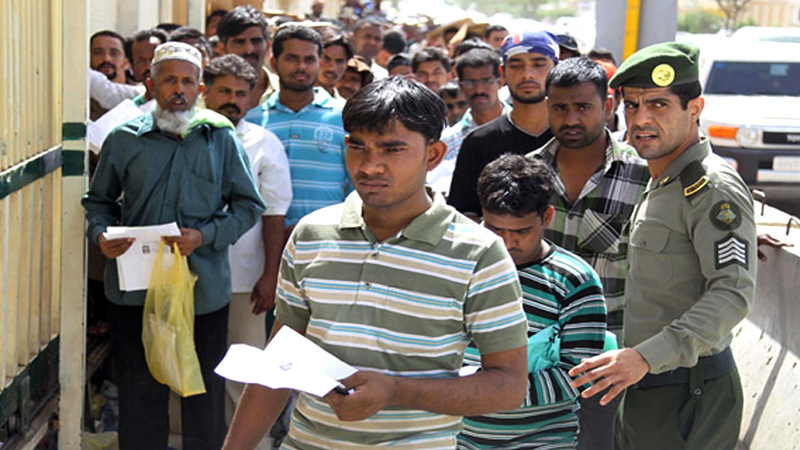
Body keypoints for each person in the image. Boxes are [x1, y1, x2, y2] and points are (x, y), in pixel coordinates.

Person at [224, 75, 529, 450]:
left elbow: (509, 387)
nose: (370, 166)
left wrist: (395, 391)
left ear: (433, 155)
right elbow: (279, 363)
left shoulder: (479, 252)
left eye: (391, 149)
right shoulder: (310, 234)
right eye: (357, 147)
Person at [569, 42, 757, 449]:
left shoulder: (711, 188)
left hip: (690, 392)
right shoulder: (662, 180)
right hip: (645, 386)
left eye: (659, 105)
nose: (642, 119)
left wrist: (646, 357)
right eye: (632, 106)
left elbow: (732, 292)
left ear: (695, 108)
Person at [82, 42, 265, 450]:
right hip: (136, 291)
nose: (178, 89)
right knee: (139, 394)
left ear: (200, 87)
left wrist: (205, 235)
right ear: (150, 84)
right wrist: (102, 235)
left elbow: (248, 205)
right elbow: (99, 202)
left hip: (203, 289)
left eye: (187, 81)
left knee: (203, 396)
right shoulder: (124, 138)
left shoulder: (220, 138)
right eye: (169, 80)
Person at [527, 56, 650, 450]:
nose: (571, 119)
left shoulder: (644, 176)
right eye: (560, 107)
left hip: (607, 364)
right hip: (536, 366)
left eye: (583, 107)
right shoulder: (529, 176)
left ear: (608, 106)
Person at [459, 153, 607, 448]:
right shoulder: (459, 267)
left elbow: (578, 374)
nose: (507, 243)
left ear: (547, 217)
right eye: (495, 229)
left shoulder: (575, 281)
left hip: (542, 440)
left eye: (521, 231)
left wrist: (490, 390)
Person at [202, 55, 292, 437]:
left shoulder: (263, 143)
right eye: (224, 90)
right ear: (205, 91)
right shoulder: (187, 135)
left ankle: (247, 444)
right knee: (189, 366)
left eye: (242, 92)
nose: (233, 99)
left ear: (253, 98)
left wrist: (271, 275)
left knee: (245, 371)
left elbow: (274, 216)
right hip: (187, 275)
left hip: (245, 277)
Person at [246, 23, 350, 237]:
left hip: (326, 238)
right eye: (292, 58)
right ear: (274, 63)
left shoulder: (344, 117)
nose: (301, 66)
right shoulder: (252, 120)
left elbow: (355, 186)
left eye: (309, 59)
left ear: (319, 63)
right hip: (261, 244)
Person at [448, 31, 558, 218]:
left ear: (556, 69)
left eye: (539, 64)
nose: (527, 74)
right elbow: (464, 215)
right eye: (516, 65)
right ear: (502, 73)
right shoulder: (478, 142)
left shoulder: (573, 138)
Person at [427, 48, 509, 194]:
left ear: (501, 80)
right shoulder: (448, 141)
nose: (479, 90)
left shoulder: (522, 127)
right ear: (460, 84)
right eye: (471, 82)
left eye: (486, 81)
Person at [217, 6, 275, 110]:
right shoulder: (205, 98)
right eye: (239, 42)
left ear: (268, 46)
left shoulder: (285, 93)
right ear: (222, 49)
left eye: (256, 41)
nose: (249, 50)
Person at [129, 28, 168, 107]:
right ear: (132, 67)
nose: (148, 66)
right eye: (141, 61)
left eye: (154, 58)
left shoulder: (186, 104)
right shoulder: (131, 111)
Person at [316, 29, 353, 97]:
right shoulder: (292, 102)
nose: (332, 68)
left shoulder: (343, 106)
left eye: (339, 61)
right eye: (326, 59)